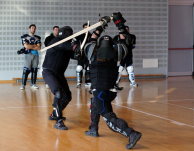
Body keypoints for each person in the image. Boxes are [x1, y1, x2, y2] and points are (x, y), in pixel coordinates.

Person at [84, 13, 142, 149]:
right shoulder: (117, 54)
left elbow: (92, 39)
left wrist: (100, 26)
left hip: (100, 92)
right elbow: (124, 41)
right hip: (111, 92)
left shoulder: (93, 53)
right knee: (94, 104)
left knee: (110, 120)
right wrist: (119, 23)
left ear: (99, 45)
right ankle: (93, 129)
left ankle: (131, 133)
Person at [42, 26, 82, 130]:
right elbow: (63, 45)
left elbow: (75, 55)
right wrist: (74, 45)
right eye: (68, 33)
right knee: (58, 93)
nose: (70, 35)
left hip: (59, 74)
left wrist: (79, 50)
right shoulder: (56, 41)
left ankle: (54, 114)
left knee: (67, 97)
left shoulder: (67, 45)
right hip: (49, 72)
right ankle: (58, 121)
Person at [20, 24, 41, 90]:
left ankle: (33, 84)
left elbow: (39, 47)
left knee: (35, 70)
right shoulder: (25, 37)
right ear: (29, 29)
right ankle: (23, 84)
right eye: (32, 28)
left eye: (34, 28)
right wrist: (34, 45)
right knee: (26, 70)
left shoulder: (37, 37)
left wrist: (30, 46)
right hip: (28, 54)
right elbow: (26, 46)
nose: (33, 29)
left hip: (36, 55)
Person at [75, 23, 92, 88]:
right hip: (81, 55)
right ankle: (79, 82)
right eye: (85, 27)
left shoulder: (91, 36)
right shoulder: (79, 35)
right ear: (83, 28)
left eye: (87, 27)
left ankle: (88, 82)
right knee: (79, 68)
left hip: (89, 55)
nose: (86, 28)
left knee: (88, 68)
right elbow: (75, 42)